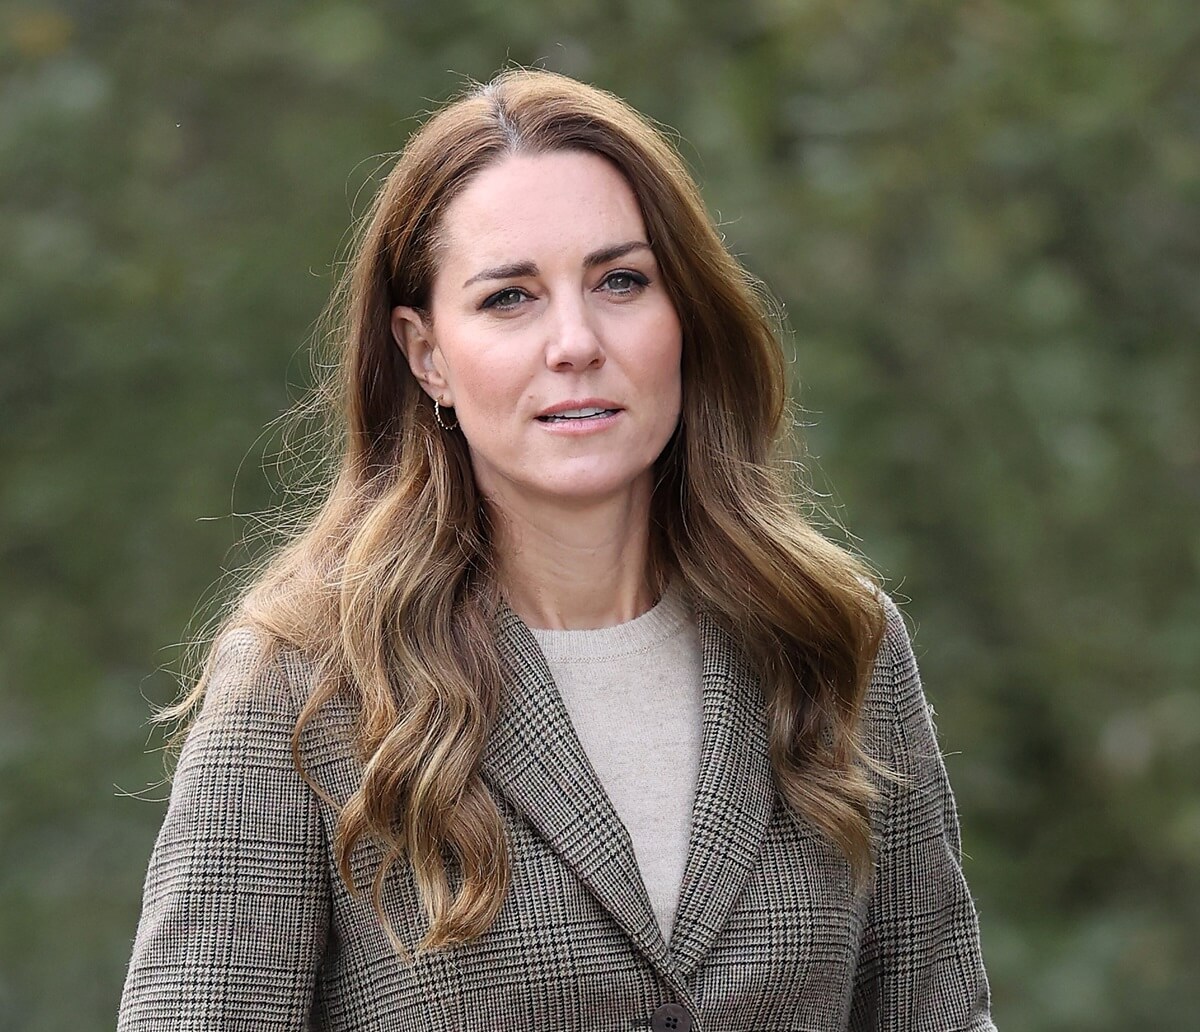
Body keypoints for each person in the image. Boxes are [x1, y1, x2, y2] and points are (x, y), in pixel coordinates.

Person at [118, 68, 996, 1032]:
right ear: (426, 355)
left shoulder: (832, 641)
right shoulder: (306, 684)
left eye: (621, 281)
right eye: (509, 299)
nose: (575, 341)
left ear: (684, 319)